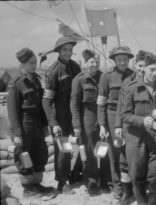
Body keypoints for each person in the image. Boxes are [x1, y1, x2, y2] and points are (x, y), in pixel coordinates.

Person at [122, 53, 156, 205]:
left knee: (155, 176)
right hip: (136, 140)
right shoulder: (132, 88)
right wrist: (142, 120)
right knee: (137, 176)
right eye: (152, 69)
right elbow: (125, 115)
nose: (155, 73)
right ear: (144, 68)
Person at [7, 48, 54, 198]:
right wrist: (17, 134)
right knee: (24, 156)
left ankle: (36, 184)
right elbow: (12, 111)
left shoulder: (35, 80)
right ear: (23, 64)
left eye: (34, 62)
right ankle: (28, 189)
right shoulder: (16, 83)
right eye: (30, 63)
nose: (34, 65)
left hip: (37, 124)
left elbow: (40, 106)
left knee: (39, 153)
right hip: (24, 124)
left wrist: (45, 127)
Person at [42, 36, 82, 193]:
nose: (68, 52)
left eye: (70, 50)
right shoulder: (53, 72)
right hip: (61, 117)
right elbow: (46, 101)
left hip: (75, 115)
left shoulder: (76, 67)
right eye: (65, 50)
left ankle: (75, 174)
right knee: (64, 150)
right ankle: (62, 182)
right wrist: (54, 123)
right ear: (58, 51)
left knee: (81, 145)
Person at [97, 45, 135, 202]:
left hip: (129, 116)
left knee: (130, 151)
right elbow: (101, 103)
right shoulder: (106, 76)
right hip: (112, 116)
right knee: (114, 153)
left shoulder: (133, 75)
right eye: (119, 59)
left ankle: (130, 187)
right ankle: (118, 187)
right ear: (114, 60)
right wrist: (102, 125)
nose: (122, 62)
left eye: (125, 59)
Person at [114, 50, 149, 205]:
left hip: (148, 131)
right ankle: (127, 194)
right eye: (140, 65)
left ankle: (144, 193)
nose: (142, 69)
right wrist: (117, 126)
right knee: (125, 162)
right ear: (135, 65)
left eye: (145, 66)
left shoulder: (152, 82)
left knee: (146, 162)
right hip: (129, 129)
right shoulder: (128, 82)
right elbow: (120, 106)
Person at [70, 49, 102, 195]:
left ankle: (104, 178)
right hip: (86, 120)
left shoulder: (103, 77)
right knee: (88, 151)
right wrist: (76, 125)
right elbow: (74, 105)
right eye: (91, 62)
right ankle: (91, 181)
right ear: (85, 63)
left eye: (96, 61)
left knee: (103, 149)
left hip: (101, 118)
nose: (94, 64)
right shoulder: (79, 79)